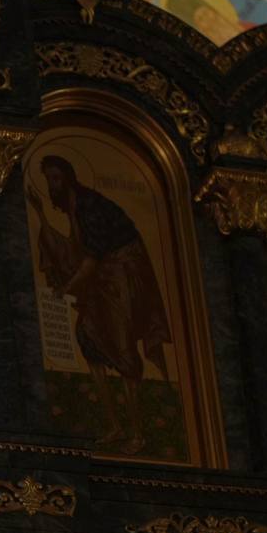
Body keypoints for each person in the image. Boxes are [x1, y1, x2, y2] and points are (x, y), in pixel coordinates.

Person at [29, 155, 173, 455]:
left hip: (123, 274)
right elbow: (76, 251)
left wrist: (67, 288)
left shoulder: (90, 206)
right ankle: (114, 426)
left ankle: (138, 434)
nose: (52, 185)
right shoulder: (73, 209)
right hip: (102, 277)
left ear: (68, 178)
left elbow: (91, 260)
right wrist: (41, 214)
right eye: (48, 179)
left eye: (56, 178)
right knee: (87, 336)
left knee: (122, 347)